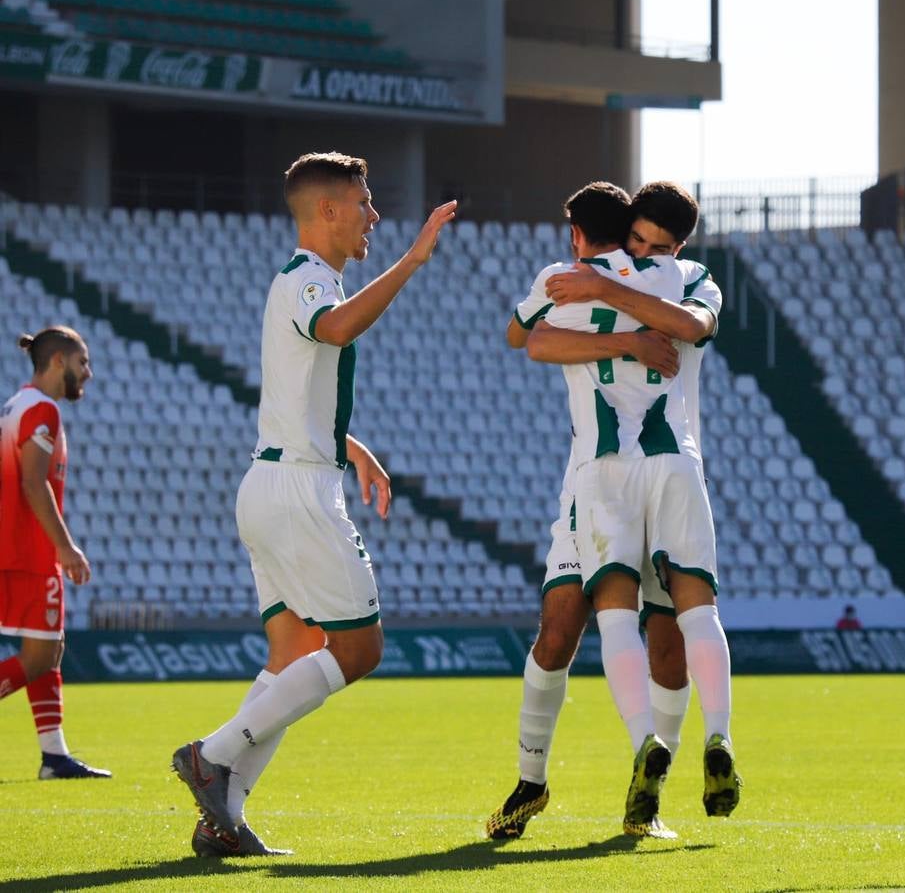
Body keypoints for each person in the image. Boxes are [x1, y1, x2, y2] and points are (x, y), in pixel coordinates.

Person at [170, 152, 457, 857]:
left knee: (293, 653)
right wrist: (413, 260)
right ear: (325, 210)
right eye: (363, 202)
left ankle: (223, 818)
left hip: (279, 479)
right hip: (296, 491)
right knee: (359, 649)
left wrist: (349, 444)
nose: (374, 216)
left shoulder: (312, 281)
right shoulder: (306, 280)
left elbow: (298, 385)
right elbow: (332, 330)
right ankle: (212, 755)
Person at [488, 182, 726, 840]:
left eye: (660, 244)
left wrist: (609, 300)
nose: (646, 250)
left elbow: (690, 325)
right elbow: (532, 342)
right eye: (638, 238)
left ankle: (646, 792)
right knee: (560, 625)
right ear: (623, 232)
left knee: (666, 637)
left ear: (679, 247)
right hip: (590, 480)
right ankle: (529, 780)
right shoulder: (581, 278)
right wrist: (623, 338)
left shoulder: (681, 280)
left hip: (656, 472)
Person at [0, 326, 109, 781]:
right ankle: (54, 757)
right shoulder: (41, 410)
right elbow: (32, 481)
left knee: (51, 647)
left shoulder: (16, 405)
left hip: (17, 546)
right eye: (82, 363)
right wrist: (64, 546)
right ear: (59, 361)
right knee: (41, 656)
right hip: (28, 550)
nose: (88, 372)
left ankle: (54, 755)